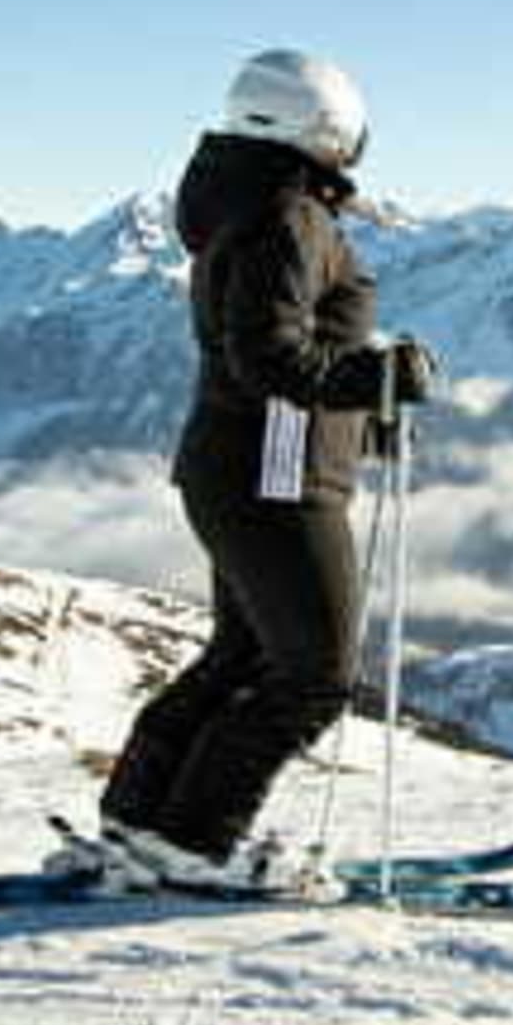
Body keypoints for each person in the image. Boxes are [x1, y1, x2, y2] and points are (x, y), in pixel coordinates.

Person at [75, 48, 433, 891]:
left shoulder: (251, 205)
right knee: (315, 675)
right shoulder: (289, 215)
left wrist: (358, 393)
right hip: (276, 480)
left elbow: (281, 347)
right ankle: (197, 843)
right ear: (327, 127)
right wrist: (370, 379)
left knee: (242, 655)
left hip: (242, 467)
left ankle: (141, 823)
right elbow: (268, 355)